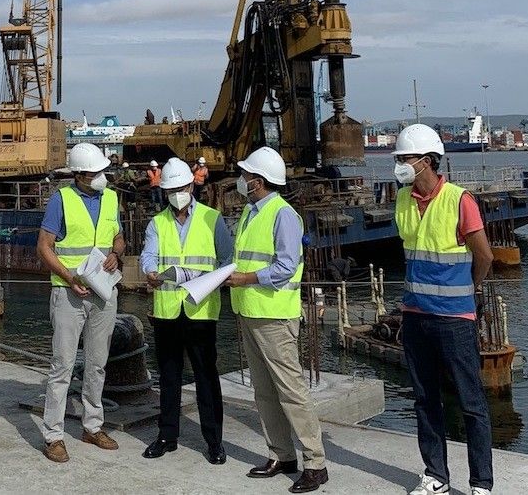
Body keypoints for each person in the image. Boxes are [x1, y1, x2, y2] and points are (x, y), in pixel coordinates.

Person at [392, 124, 494, 495]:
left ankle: (481, 484)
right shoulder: (402, 199)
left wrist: (471, 288)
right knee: (424, 399)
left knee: (471, 402)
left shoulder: (458, 199)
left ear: (427, 161)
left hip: (454, 319)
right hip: (416, 315)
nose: (400, 165)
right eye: (399, 159)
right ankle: (436, 475)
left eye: (405, 158)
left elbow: (484, 255)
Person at [224, 147, 328, 493]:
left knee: (291, 391)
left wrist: (243, 279)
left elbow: (285, 267)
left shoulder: (283, 215)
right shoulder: (251, 212)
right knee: (264, 391)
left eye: (246, 175)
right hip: (250, 310)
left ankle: (315, 462)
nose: (241, 180)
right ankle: (281, 455)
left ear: (257, 181)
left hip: (274, 314)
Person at [139, 158, 233, 465]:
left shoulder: (212, 218)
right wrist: (151, 272)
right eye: (171, 190)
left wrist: (204, 280)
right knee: (168, 375)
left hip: (201, 310)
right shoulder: (157, 223)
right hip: (167, 311)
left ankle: (214, 442)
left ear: (191, 186)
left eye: (181, 188)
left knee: (206, 376)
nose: (177, 194)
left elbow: (226, 261)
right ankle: (167, 436)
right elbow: (148, 257)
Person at [37, 142, 126, 463]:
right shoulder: (61, 200)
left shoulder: (112, 197)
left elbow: (118, 236)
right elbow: (44, 246)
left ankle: (92, 426)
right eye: (97, 172)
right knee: (61, 366)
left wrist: (116, 254)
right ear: (81, 175)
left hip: (103, 292)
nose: (104, 176)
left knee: (97, 363)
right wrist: (69, 276)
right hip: (68, 292)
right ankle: (54, 435)